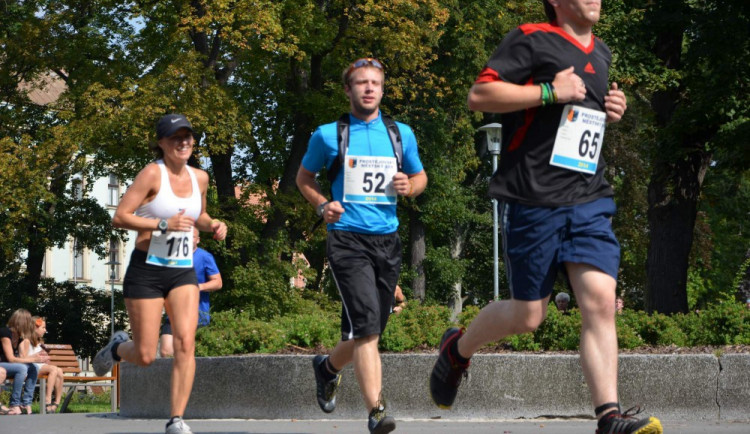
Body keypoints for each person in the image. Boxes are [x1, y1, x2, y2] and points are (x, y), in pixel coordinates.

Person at [429, 2, 663, 434]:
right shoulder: (531, 37)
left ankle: (608, 417)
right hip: (534, 198)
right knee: (528, 317)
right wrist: (549, 92)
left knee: (598, 302)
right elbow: (479, 96)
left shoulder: (603, 53)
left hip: (590, 196)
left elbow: (579, 121)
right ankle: (457, 350)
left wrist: (611, 108)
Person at [296, 57, 427, 434]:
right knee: (367, 328)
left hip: (388, 240)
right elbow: (305, 178)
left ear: (383, 90)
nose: (369, 88)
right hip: (347, 240)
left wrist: (410, 186)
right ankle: (376, 410)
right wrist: (322, 205)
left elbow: (420, 176)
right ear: (348, 90)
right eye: (361, 83)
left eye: (375, 83)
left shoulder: (401, 133)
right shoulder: (328, 134)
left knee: (367, 330)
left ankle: (327, 368)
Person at [92, 113, 227, 434]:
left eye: (188, 137)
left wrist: (213, 225)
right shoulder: (152, 174)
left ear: (194, 141)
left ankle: (177, 419)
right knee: (145, 354)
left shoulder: (201, 178)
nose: (183, 142)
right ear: (162, 143)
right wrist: (163, 224)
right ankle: (115, 349)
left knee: (184, 343)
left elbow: (201, 215)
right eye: (175, 137)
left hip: (181, 272)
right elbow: (121, 217)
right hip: (147, 270)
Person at [160, 227, 222, 358]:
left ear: (197, 240)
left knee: (190, 353)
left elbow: (218, 282)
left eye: (191, 236)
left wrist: (198, 287)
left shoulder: (205, 257)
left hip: (198, 315)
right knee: (166, 351)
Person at [0, 309, 43, 415]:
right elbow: (11, 358)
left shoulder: (20, 337)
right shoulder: (5, 333)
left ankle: (26, 403)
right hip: (3, 364)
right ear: (22, 322)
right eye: (28, 322)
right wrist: (33, 359)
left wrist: (36, 357)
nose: (30, 325)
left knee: (33, 367)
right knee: (22, 368)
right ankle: (14, 404)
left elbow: (22, 357)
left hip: (9, 366)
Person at [21, 317, 65, 413]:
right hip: (30, 368)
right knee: (54, 369)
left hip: (38, 366)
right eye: (43, 328)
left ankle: (56, 403)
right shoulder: (26, 341)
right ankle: (47, 399)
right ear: (35, 328)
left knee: (59, 371)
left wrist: (45, 357)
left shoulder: (39, 342)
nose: (45, 330)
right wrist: (37, 357)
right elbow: (22, 359)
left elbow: (41, 357)